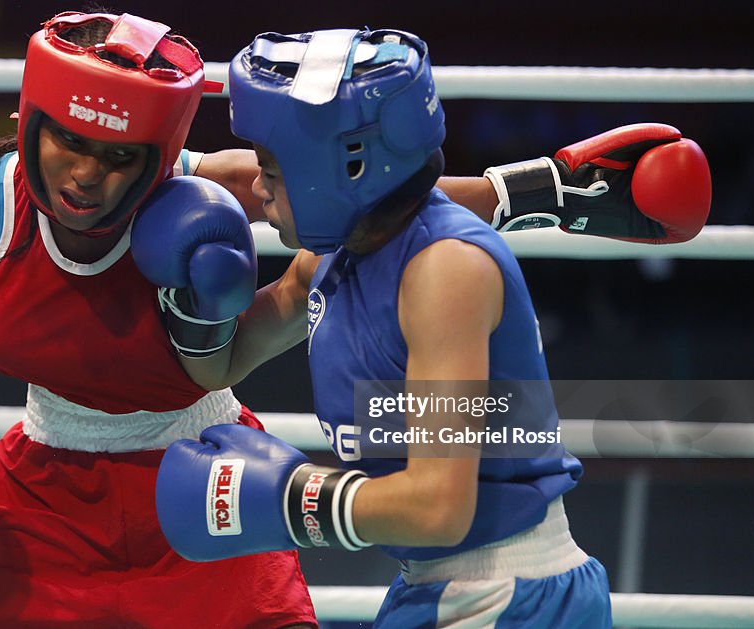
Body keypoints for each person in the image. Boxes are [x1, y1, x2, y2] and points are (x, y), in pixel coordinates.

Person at [0, 11, 707, 629]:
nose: (87, 174)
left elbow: (373, 195)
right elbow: (338, 222)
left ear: (156, 156)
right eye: (68, 140)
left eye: (118, 154)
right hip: (44, 497)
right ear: (31, 124)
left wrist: (545, 190)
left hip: (200, 465)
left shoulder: (217, 199)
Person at [151, 26, 710, 628]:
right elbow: (222, 364)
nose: (257, 189)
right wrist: (197, 303)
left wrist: (293, 498)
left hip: (510, 595)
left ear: (343, 168)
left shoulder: (446, 273)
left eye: (273, 171)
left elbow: (439, 507)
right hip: (435, 585)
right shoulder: (329, 256)